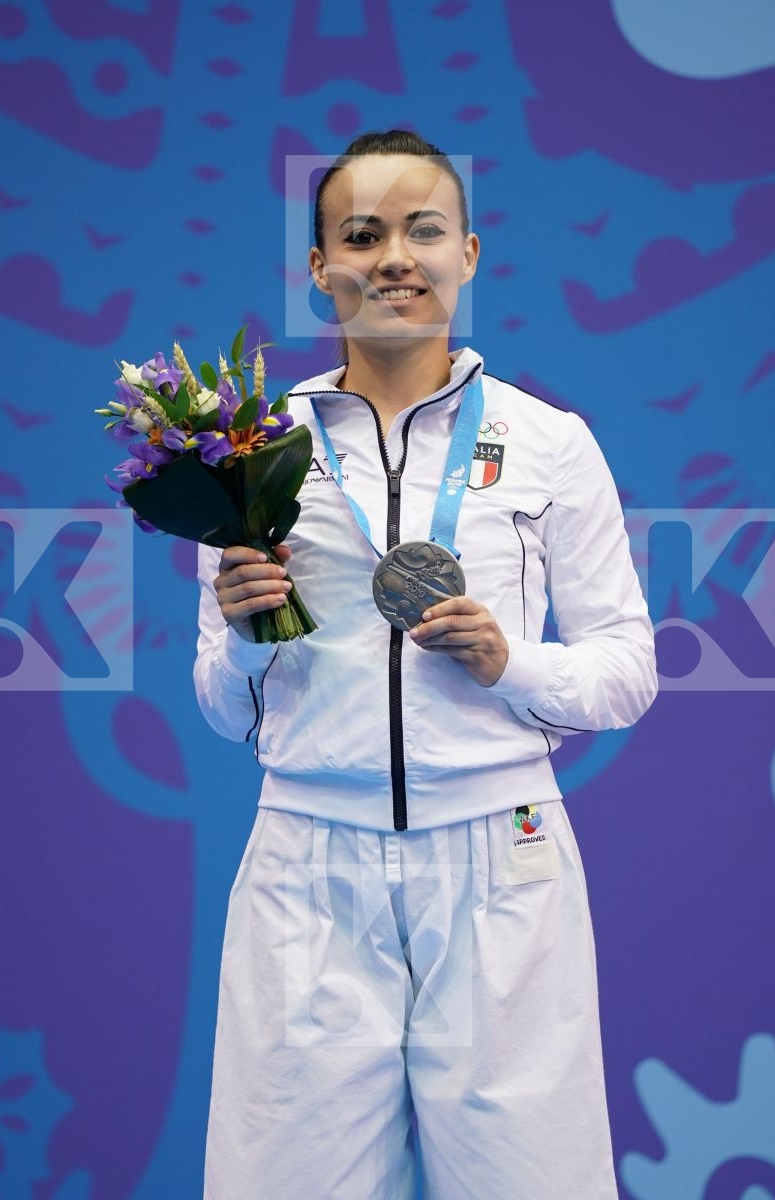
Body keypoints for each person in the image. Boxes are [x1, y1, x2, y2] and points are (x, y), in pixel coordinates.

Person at [194, 129, 657, 1199]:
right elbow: (223, 712)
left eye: (421, 230)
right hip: (304, 864)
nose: (393, 256)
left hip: (503, 860)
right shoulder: (256, 452)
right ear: (318, 268)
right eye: (361, 234)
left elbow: (626, 670)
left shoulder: (549, 442)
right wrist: (239, 630)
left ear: (469, 254)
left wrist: (509, 665)